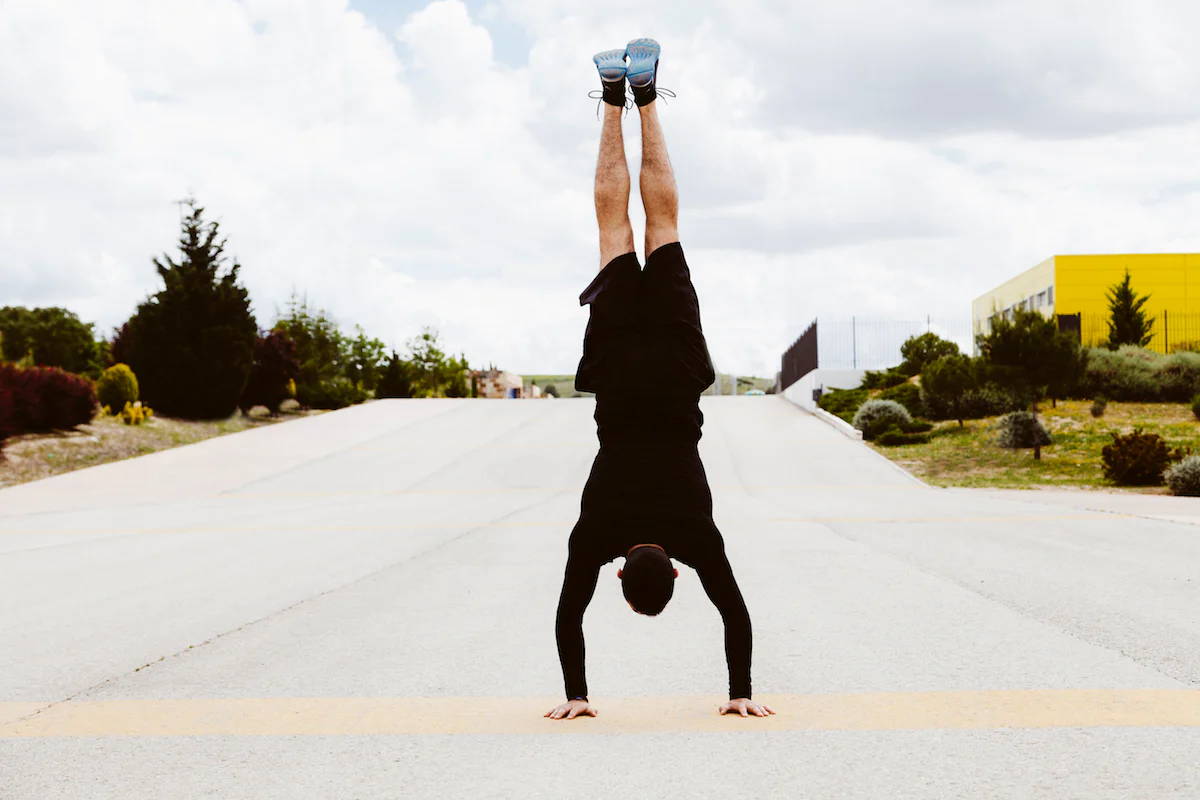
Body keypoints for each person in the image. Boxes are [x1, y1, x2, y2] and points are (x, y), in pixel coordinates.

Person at [545, 38, 774, 722]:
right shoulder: (595, 536)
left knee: (664, 225)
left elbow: (736, 613)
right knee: (614, 229)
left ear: (675, 571)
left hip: (675, 372)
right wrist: (575, 696)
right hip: (617, 374)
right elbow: (566, 616)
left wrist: (743, 694)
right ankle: (615, 93)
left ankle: (644, 95)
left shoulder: (697, 537)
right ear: (622, 573)